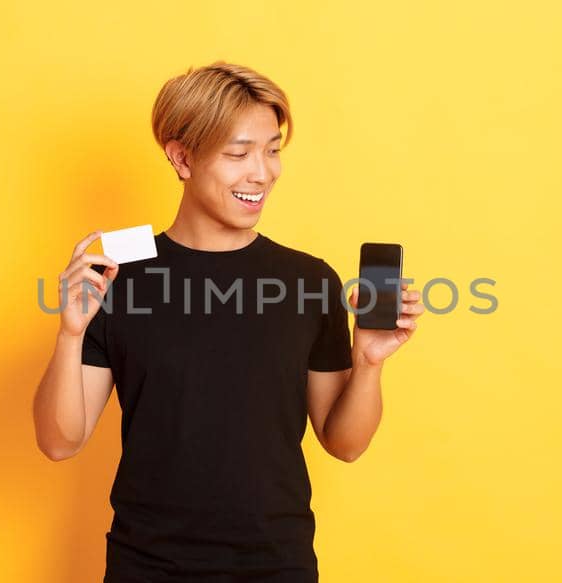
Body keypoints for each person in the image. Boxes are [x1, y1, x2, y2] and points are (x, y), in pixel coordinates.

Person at [31, 61, 424, 582]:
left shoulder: (309, 280)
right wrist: (70, 333)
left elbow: (344, 443)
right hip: (147, 566)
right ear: (181, 157)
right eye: (239, 153)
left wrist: (368, 363)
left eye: (272, 149)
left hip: (276, 567)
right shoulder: (119, 276)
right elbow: (60, 441)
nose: (261, 172)